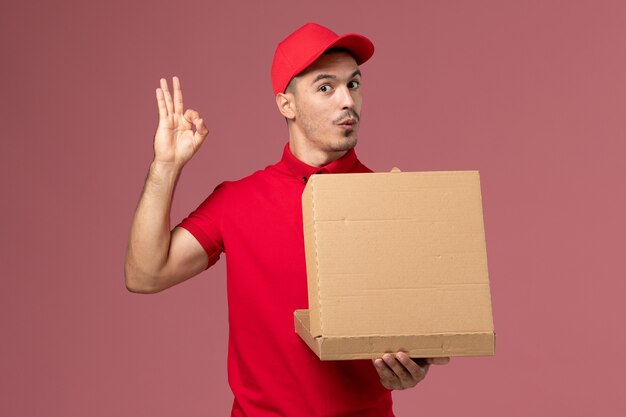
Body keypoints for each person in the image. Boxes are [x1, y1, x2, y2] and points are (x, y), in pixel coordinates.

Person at [124, 22, 450, 416]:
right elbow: (145, 274)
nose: (347, 100)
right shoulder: (237, 201)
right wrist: (166, 165)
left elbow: (419, 329)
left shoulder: (391, 202)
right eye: (326, 87)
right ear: (286, 104)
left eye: (354, 85)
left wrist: (413, 368)